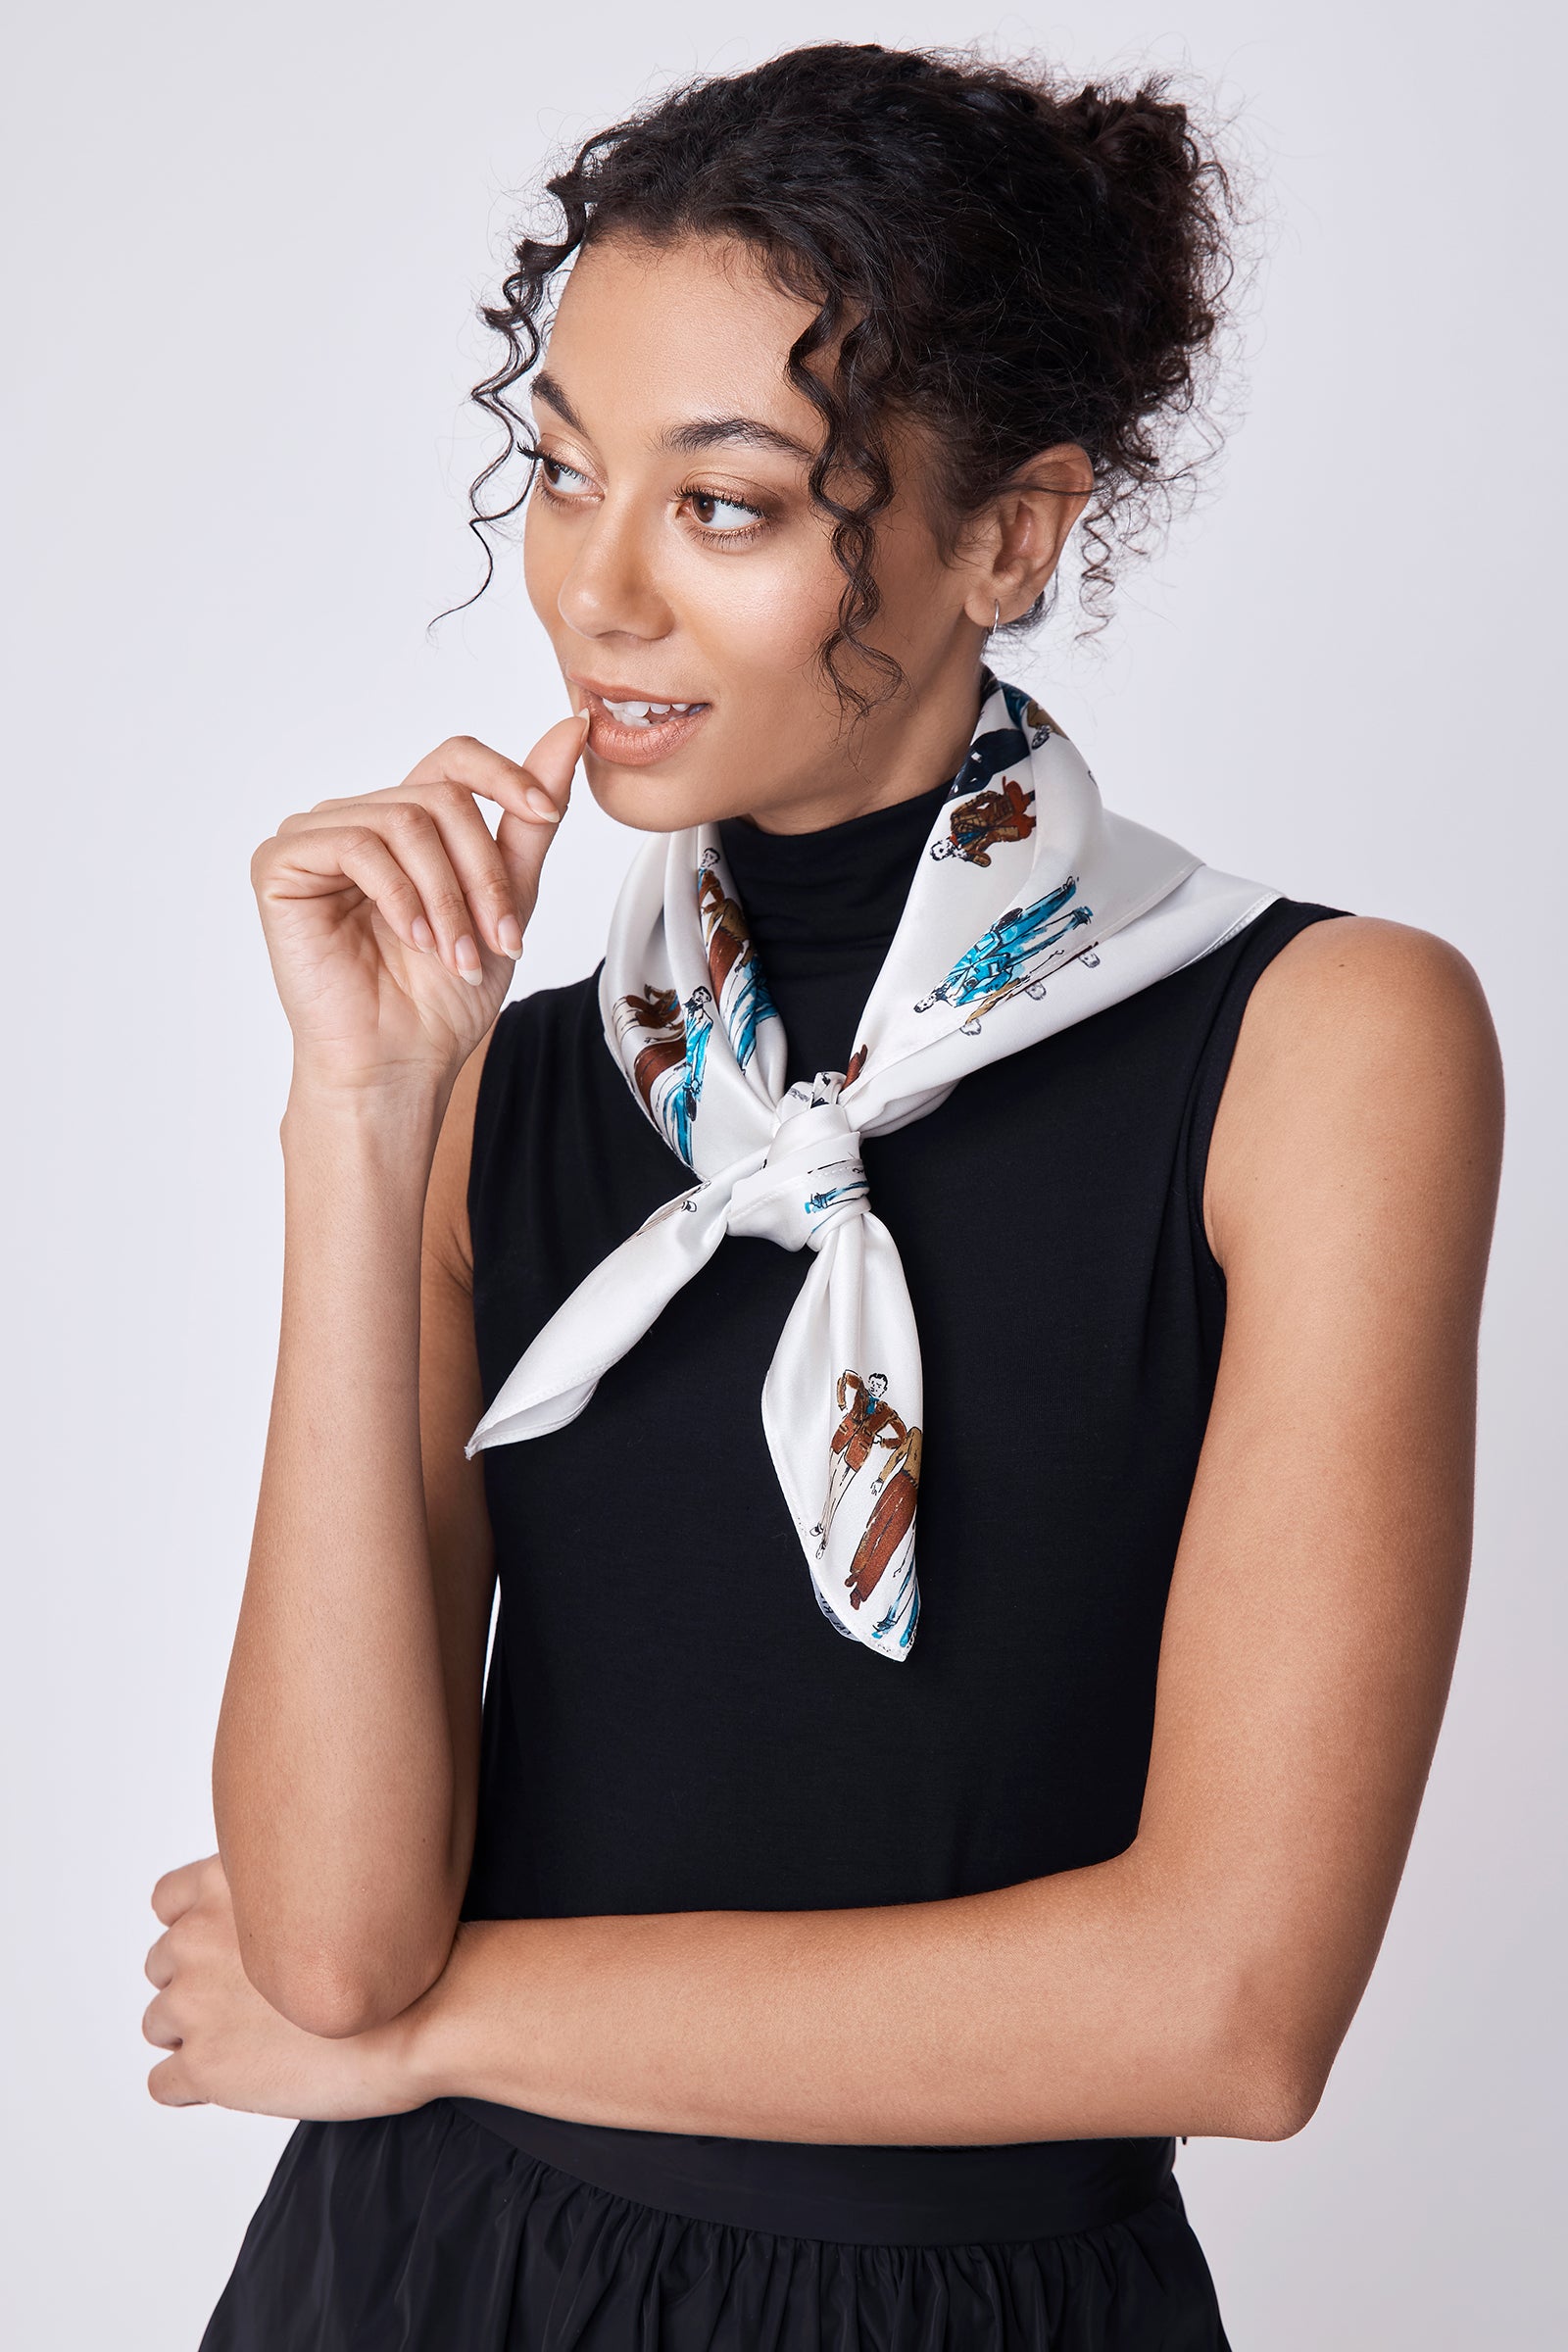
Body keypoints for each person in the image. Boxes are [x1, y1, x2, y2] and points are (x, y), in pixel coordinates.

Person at [140, 42, 1503, 2352]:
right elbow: (330, 1938)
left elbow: (1229, 2009)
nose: (595, 595)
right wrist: (357, 1129)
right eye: (563, 473)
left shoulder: (1316, 1043)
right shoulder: (528, 1079)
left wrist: (446, 2031)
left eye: (727, 504)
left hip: (952, 2308)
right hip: (413, 2283)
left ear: (1009, 531)